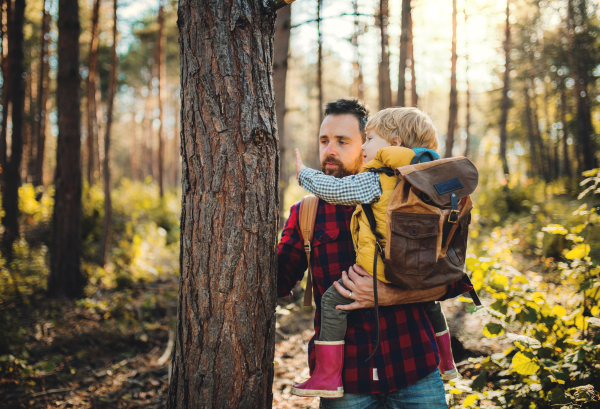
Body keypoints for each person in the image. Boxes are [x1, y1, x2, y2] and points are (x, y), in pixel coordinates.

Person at [277, 98, 473, 409]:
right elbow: (274, 282)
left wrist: (391, 294)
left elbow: (454, 280)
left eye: (343, 141)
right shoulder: (307, 213)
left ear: (371, 146)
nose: (330, 150)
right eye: (324, 140)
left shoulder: (415, 199)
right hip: (347, 384)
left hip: (415, 370)